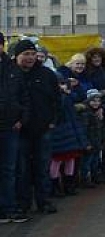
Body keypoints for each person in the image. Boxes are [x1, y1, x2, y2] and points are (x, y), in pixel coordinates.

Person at [10, 39, 62, 215]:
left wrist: (53, 120)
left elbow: (56, 100)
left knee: (42, 166)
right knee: (21, 168)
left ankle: (43, 200)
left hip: (43, 128)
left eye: (33, 54)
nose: (30, 58)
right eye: (26, 54)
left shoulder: (46, 74)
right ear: (16, 56)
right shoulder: (10, 74)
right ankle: (23, 202)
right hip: (18, 130)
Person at [0, 32, 29, 223]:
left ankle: (8, 207)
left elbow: (24, 97)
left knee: (9, 169)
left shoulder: (12, 68)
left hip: (10, 127)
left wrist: (22, 118)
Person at [48, 75, 88, 197]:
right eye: (60, 84)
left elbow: (80, 97)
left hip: (70, 131)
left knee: (70, 159)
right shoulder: (55, 98)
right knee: (56, 160)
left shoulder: (68, 97)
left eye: (64, 84)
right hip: (58, 133)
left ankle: (68, 184)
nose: (62, 86)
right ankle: (54, 186)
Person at [84, 46, 105, 180]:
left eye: (99, 57)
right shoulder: (88, 72)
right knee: (96, 139)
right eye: (94, 57)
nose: (97, 59)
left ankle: (104, 166)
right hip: (95, 108)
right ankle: (96, 168)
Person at [77, 89, 105, 187]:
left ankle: (95, 177)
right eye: (94, 101)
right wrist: (86, 143)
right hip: (89, 143)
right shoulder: (86, 113)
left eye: (98, 101)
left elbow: (102, 127)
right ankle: (84, 179)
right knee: (86, 162)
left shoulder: (98, 112)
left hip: (96, 142)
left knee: (95, 160)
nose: (96, 103)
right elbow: (83, 130)